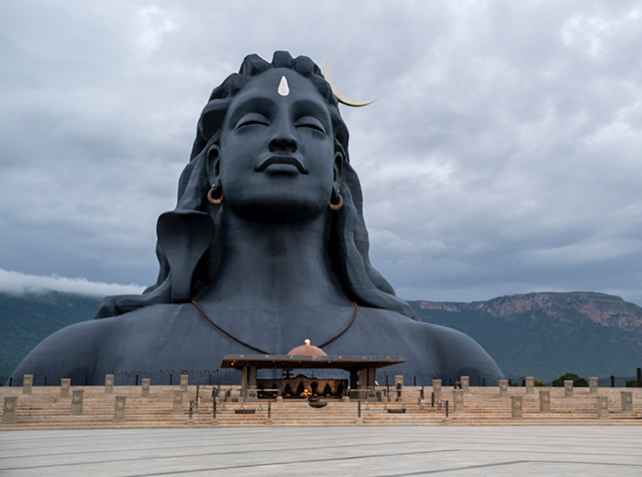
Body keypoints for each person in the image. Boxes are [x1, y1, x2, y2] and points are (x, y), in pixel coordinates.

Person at [12, 52, 503, 385]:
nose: (284, 138)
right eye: (254, 121)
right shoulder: (88, 355)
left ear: (336, 173)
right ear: (214, 165)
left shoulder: (450, 357)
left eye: (308, 124)